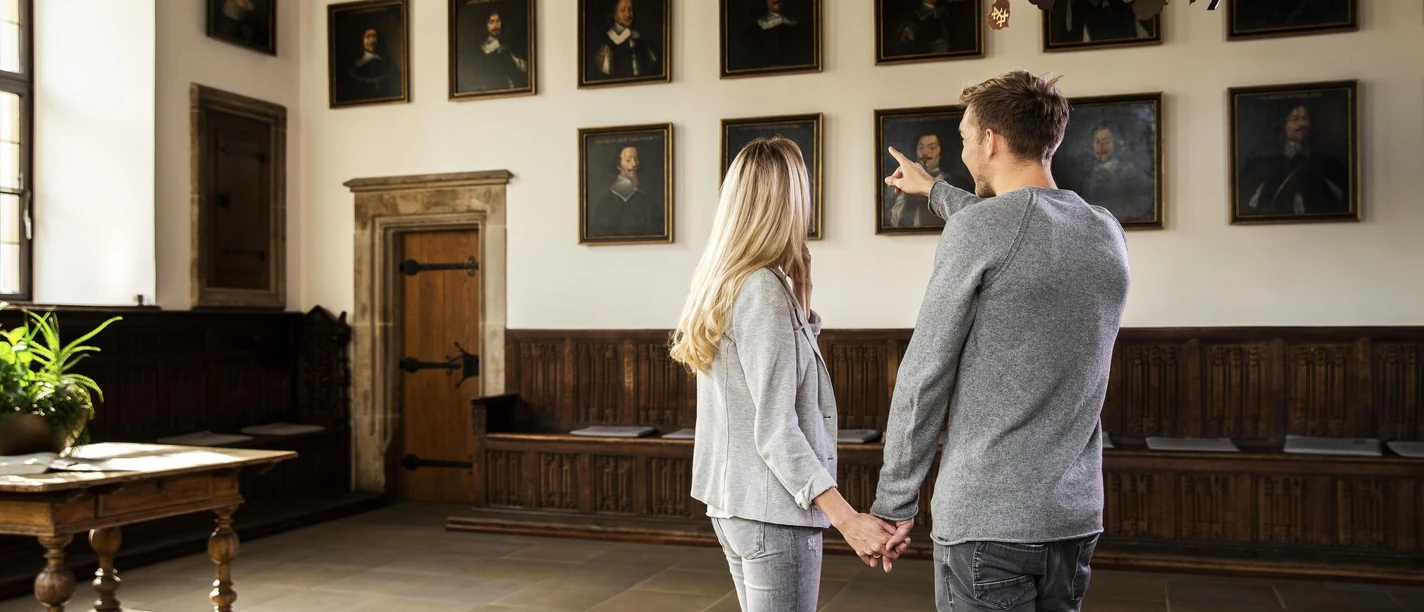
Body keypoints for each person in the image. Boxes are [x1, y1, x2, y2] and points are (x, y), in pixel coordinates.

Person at [876, 69, 1131, 612]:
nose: (964, 152)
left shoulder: (980, 231)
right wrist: (934, 191)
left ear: (990, 140)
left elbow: (924, 377)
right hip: (1073, 521)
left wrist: (894, 502)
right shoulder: (1105, 230)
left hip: (988, 522)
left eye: (965, 138)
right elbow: (1021, 226)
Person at [672, 137, 905, 612]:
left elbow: (767, 381)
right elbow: (776, 427)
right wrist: (847, 520)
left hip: (736, 506)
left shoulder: (726, 280)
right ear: (788, 201)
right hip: (772, 513)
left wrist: (802, 299)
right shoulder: (761, 288)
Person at [1239, 103, 1349, 216]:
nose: (1302, 124)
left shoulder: (1327, 163)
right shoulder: (1265, 164)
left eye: (1305, 118)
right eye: (1294, 119)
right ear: (1283, 124)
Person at [590, 146, 663, 238]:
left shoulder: (647, 197)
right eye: (628, 160)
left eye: (636, 159)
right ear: (618, 166)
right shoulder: (606, 204)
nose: (634, 164)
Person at [589, 0, 661, 80]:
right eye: (623, 10)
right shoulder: (606, 42)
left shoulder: (640, 39)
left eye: (630, 10)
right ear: (614, 14)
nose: (628, 14)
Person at [465, 9, 529, 92]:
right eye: (491, 22)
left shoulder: (507, 45)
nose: (496, 25)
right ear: (485, 25)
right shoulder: (480, 49)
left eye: (498, 21)